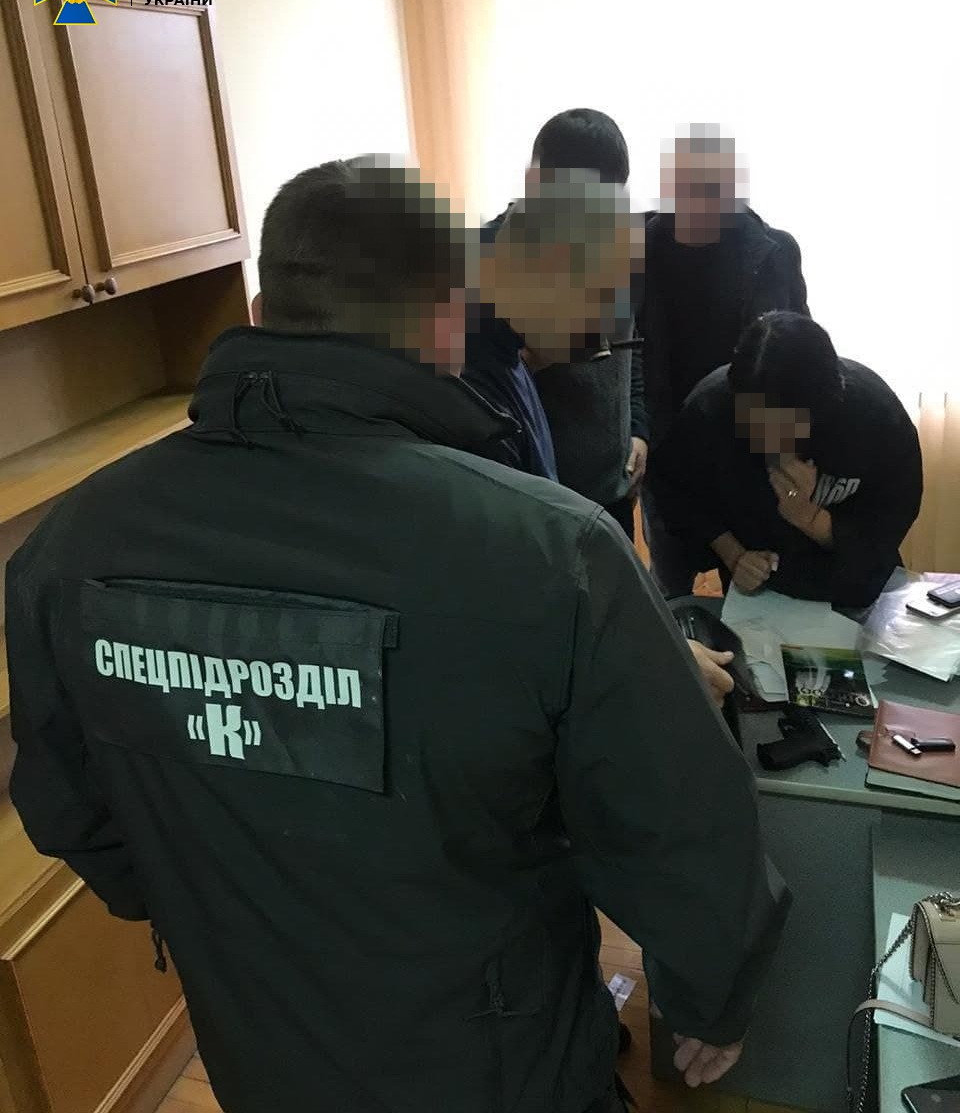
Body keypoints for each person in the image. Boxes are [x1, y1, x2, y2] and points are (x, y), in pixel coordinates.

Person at [7, 158, 788, 1113]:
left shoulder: (67, 548)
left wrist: (204, 903)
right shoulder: (552, 553)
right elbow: (681, 826)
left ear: (260, 311)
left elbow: (68, 806)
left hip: (260, 1047)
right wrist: (713, 995)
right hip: (495, 1067)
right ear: (447, 324)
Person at [636, 126, 810, 596]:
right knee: (669, 590)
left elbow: (800, 350)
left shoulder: (772, 253)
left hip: (747, 453)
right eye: (687, 189)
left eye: (713, 189)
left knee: (757, 589)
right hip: (670, 449)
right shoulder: (637, 251)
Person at [646, 312, 923, 607]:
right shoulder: (710, 409)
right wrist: (734, 555)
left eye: (783, 427)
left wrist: (811, 519)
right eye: (753, 423)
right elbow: (677, 493)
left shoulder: (875, 418)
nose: (766, 440)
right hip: (757, 596)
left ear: (820, 409)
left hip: (854, 589)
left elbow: (889, 520)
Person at [463, 108, 647, 538]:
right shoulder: (480, 264)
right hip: (541, 506)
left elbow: (632, 352)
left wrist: (638, 430)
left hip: (613, 491)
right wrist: (534, 362)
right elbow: (468, 412)